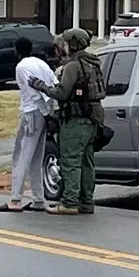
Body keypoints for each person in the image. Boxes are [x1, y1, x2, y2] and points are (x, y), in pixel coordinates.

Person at [31, 28, 106, 215]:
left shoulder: (73, 65)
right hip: (92, 119)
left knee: (71, 161)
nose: (62, 46)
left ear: (72, 44)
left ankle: (70, 202)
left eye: (64, 43)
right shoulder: (92, 62)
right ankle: (86, 201)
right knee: (87, 162)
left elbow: (62, 93)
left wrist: (41, 86)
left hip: (75, 121)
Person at [0, 37, 56, 212]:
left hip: (32, 113)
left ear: (17, 50)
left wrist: (44, 112)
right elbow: (54, 83)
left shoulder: (21, 67)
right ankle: (38, 199)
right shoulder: (42, 64)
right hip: (46, 113)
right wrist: (50, 114)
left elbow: (33, 92)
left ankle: (15, 199)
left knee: (21, 156)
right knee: (37, 157)